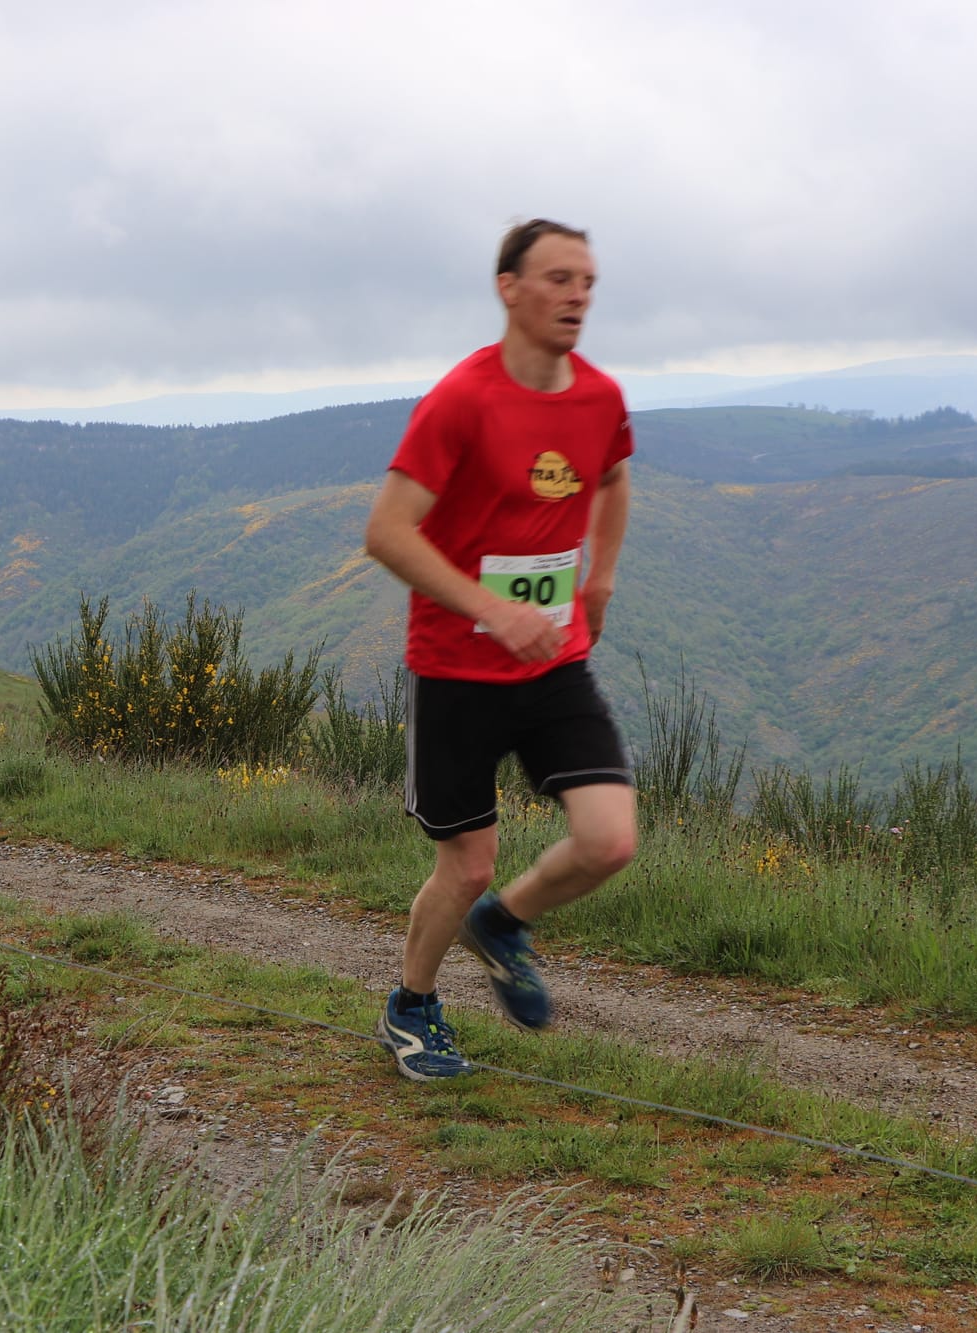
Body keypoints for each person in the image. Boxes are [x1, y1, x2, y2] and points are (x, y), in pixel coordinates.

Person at [363, 217, 637, 1081]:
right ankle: (412, 1006)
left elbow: (616, 474)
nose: (578, 295)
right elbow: (386, 532)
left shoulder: (598, 397)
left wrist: (599, 581)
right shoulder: (462, 399)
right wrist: (492, 607)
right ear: (509, 287)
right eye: (559, 278)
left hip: (553, 660)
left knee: (608, 841)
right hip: (456, 671)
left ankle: (505, 925)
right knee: (467, 863)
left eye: (587, 281)